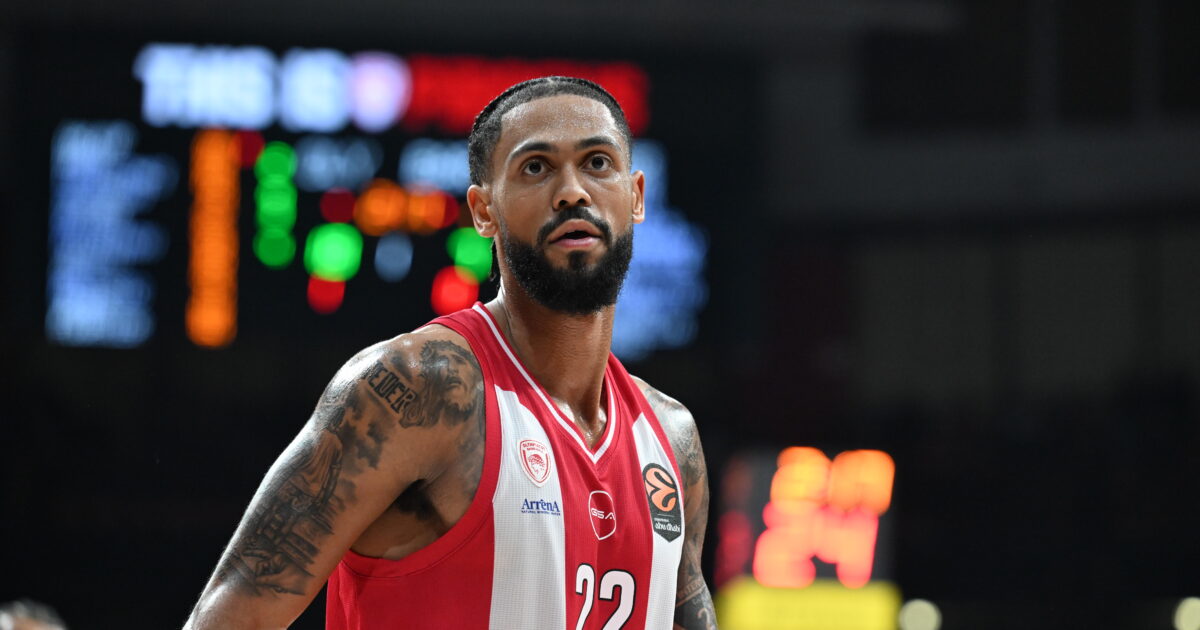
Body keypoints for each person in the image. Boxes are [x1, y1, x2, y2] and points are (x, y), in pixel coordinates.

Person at [184, 76, 716, 629]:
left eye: (597, 163)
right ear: (484, 211)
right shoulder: (415, 389)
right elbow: (228, 619)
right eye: (535, 167)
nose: (572, 191)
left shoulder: (671, 440)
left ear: (636, 197)